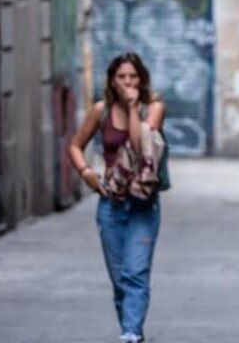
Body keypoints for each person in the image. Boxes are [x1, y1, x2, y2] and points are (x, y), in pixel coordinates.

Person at [69, 52, 166, 343]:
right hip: (110, 203)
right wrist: (86, 171)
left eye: (133, 76)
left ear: (142, 79)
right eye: (121, 77)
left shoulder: (153, 108)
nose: (127, 82)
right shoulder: (100, 111)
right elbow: (75, 145)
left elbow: (139, 146)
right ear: (112, 79)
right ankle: (131, 328)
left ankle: (131, 334)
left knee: (135, 272)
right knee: (120, 279)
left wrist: (133, 105)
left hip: (143, 205)